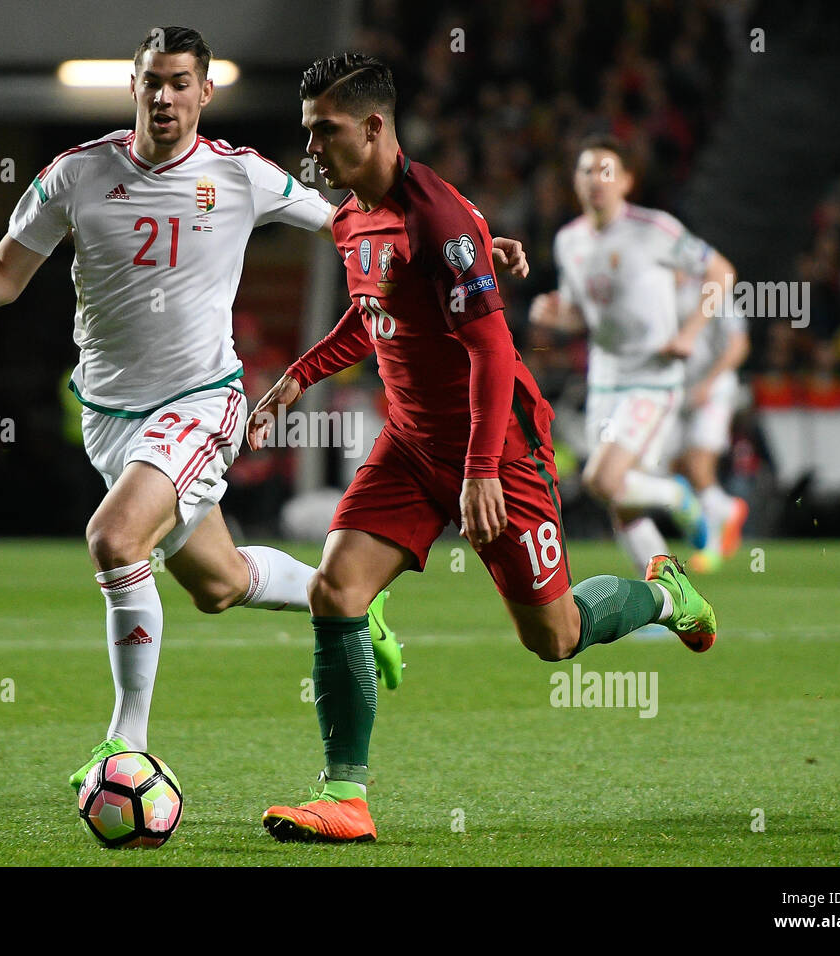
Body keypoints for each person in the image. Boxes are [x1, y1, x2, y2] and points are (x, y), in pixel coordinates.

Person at [0, 27, 528, 790]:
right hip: (108, 414)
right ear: (134, 87)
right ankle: (352, 605)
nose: (163, 97)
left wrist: (477, 245)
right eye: (150, 82)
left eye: (178, 83)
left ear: (205, 93)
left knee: (115, 538)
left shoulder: (243, 177)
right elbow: (2, 275)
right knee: (219, 584)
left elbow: (366, 223)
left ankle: (124, 746)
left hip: (201, 402)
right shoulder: (74, 176)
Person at [246, 55, 718, 844]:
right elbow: (374, 314)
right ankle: (345, 798)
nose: (312, 150)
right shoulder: (349, 219)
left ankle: (667, 594)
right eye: (307, 133)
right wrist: (299, 378)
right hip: (408, 444)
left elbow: (493, 351)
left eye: (324, 132)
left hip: (495, 450)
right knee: (336, 592)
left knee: (555, 637)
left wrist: (478, 470)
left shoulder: (435, 215)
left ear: (372, 126)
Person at [529, 136, 737, 574]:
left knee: (602, 480)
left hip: (652, 379)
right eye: (586, 171)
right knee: (619, 499)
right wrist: (556, 315)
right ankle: (667, 597)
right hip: (604, 381)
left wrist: (690, 333)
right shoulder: (569, 241)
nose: (595, 180)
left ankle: (678, 496)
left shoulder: (654, 229)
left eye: (606, 170)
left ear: (626, 181)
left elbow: (721, 271)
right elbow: (582, 315)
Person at [667, 271, 750, 571]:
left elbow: (739, 345)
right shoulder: (661, 291)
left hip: (714, 388)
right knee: (673, 468)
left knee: (700, 464)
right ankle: (726, 509)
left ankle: (711, 547)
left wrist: (709, 382)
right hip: (681, 391)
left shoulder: (714, 292)